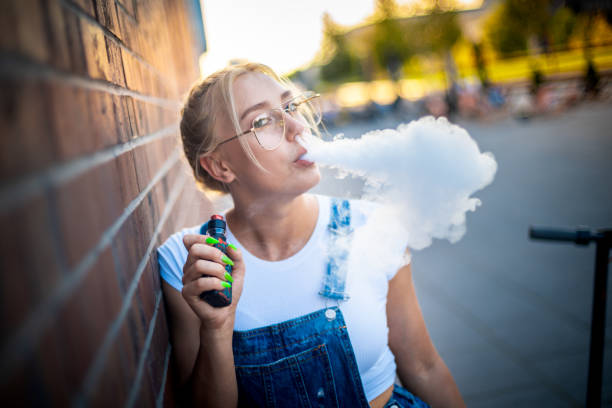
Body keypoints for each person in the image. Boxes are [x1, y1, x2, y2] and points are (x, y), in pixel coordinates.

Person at [157, 62, 465, 408]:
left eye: (290, 108)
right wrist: (216, 328)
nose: (297, 128)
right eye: (262, 121)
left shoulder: (374, 225)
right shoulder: (190, 263)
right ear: (220, 166)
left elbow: (424, 368)